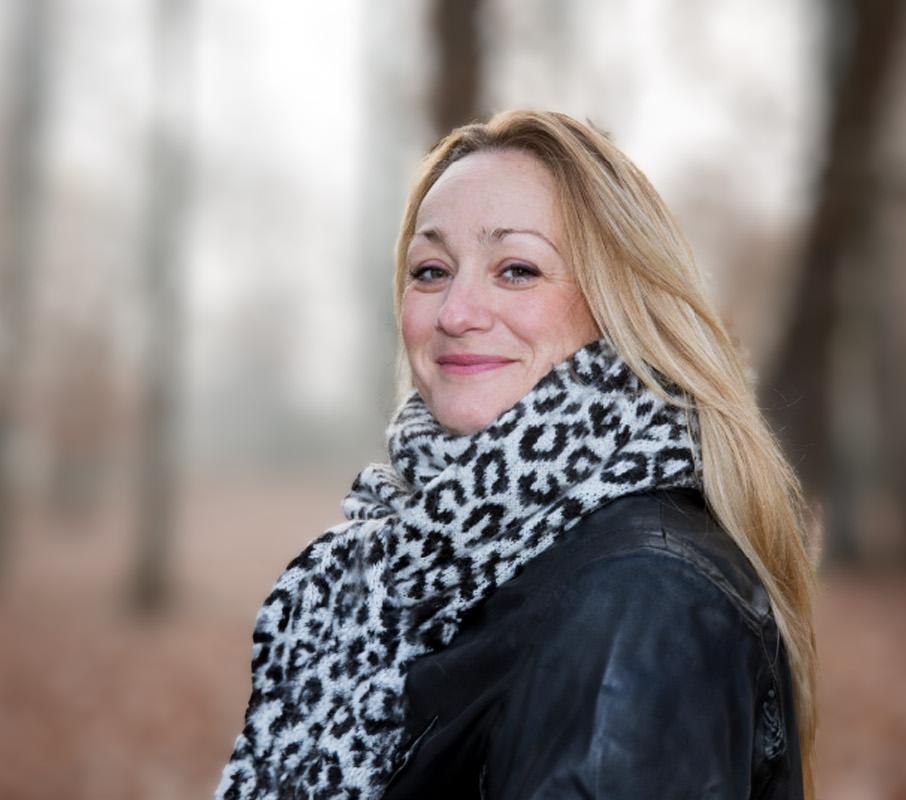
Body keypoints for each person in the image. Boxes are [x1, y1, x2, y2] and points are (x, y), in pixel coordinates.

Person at [218, 109, 817, 799]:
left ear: (621, 304)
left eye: (517, 269)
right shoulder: (423, 563)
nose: (456, 312)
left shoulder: (639, 602)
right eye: (432, 269)